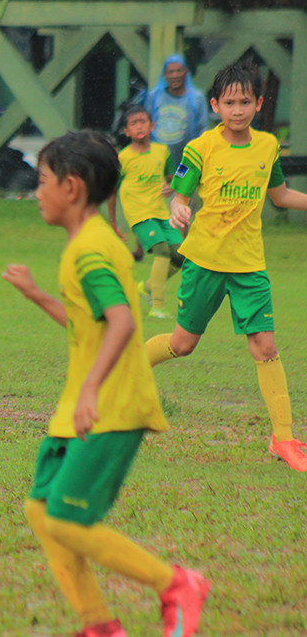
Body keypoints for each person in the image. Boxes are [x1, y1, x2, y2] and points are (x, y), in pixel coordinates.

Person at [3, 130, 210, 637]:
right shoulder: (91, 243)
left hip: (109, 407)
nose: (37, 192)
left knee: (69, 521)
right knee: (40, 509)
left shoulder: (91, 250)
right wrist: (36, 295)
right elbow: (87, 322)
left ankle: (177, 583)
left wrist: (92, 389)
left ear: (71, 188)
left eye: (43, 181)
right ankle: (99, 626)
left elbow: (121, 322)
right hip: (83, 404)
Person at [147, 62, 307, 473]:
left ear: (259, 103)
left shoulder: (268, 147)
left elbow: (281, 196)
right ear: (216, 104)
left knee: (265, 346)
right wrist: (179, 211)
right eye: (230, 103)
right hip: (204, 261)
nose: (237, 110)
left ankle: (284, 438)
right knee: (182, 345)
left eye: (246, 102)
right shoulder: (201, 148)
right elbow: (179, 198)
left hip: (250, 265)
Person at [107, 105, 183, 320]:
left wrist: (172, 187)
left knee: (181, 255)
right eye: (133, 123)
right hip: (139, 215)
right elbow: (112, 191)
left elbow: (172, 180)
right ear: (126, 132)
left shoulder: (162, 152)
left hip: (161, 212)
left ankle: (147, 288)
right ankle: (157, 307)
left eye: (142, 122)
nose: (139, 126)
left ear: (152, 126)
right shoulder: (123, 159)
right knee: (161, 250)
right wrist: (114, 222)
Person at [143, 54, 209, 171]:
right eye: (171, 72)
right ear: (164, 74)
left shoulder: (197, 98)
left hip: (187, 161)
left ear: (186, 72)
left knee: (181, 188)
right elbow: (145, 125)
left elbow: (202, 129)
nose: (175, 75)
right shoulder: (154, 96)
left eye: (179, 71)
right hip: (158, 161)